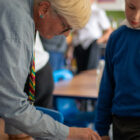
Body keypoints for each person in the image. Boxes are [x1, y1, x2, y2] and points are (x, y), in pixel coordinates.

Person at [0, 0, 102, 140]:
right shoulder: (17, 26)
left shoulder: (25, 11)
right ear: (44, 8)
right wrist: (69, 133)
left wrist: (15, 130)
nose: (67, 35)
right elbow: (11, 105)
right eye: (65, 26)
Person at [95, 0, 140, 140]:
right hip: (120, 123)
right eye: (131, 7)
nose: (136, 16)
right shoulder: (116, 38)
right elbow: (107, 86)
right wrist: (102, 130)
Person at [70, 0, 112, 73]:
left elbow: (109, 31)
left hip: (92, 44)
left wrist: (97, 41)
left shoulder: (98, 12)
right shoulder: (78, 12)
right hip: (78, 46)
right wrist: (70, 48)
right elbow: (75, 32)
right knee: (79, 72)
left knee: (90, 72)